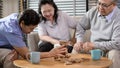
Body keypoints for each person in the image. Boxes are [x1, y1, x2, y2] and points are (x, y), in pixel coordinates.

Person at [0, 9, 67, 68]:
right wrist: (50, 54)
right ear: (22, 23)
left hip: (5, 43)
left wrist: (17, 49)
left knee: (20, 55)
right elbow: (28, 55)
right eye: (31, 28)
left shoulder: (18, 17)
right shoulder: (11, 29)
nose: (31, 31)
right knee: (10, 57)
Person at [73, 0, 120, 68]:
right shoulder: (93, 11)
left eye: (104, 5)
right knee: (76, 49)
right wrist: (79, 41)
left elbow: (117, 44)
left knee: (114, 54)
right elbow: (80, 25)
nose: (100, 7)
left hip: (109, 49)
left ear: (113, 5)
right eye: (99, 3)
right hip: (93, 49)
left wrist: (94, 45)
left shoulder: (118, 17)